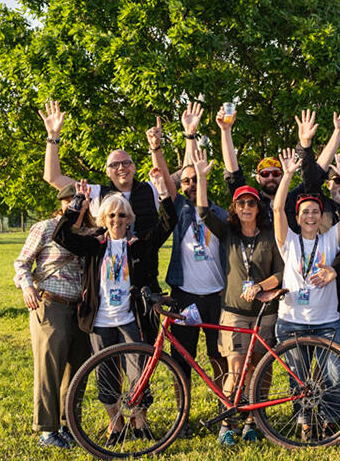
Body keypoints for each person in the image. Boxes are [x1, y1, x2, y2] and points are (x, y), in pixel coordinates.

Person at [52, 173, 177, 443]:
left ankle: (140, 423)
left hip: (131, 320)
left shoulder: (138, 246)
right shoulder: (93, 246)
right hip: (100, 320)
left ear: (129, 219)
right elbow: (61, 234)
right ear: (103, 219)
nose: (116, 220)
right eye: (111, 216)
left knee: (139, 373)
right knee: (106, 376)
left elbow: (169, 223)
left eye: (122, 216)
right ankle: (116, 424)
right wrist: (77, 203)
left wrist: (163, 193)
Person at [39, 103, 168, 338]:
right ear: (107, 171)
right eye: (114, 164)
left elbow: (167, 182)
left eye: (126, 162)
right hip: (106, 287)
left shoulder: (150, 190)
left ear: (135, 166)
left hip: (144, 282)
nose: (121, 167)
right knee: (107, 362)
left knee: (143, 354)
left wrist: (155, 149)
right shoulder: (96, 193)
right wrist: (53, 137)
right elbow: (53, 176)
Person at [193, 147, 285, 446]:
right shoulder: (228, 232)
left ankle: (253, 421)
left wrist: (260, 286)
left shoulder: (271, 235)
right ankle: (228, 422)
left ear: (259, 208)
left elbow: (281, 273)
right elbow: (204, 210)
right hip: (233, 311)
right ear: (235, 207)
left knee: (261, 369)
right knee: (235, 368)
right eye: (241, 203)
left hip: (265, 312)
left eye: (251, 203)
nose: (246, 207)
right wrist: (203, 178)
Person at [271, 146, 340, 440]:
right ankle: (305, 421)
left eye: (315, 212)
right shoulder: (289, 242)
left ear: (322, 216)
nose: (310, 216)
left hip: (327, 321)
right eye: (305, 212)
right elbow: (276, 208)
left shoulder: (331, 239)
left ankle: (329, 420)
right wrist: (287, 175)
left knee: (335, 374)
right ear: (298, 217)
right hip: (292, 320)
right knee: (300, 379)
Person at [13, 184, 92, 448]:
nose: (78, 207)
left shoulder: (88, 232)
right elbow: (22, 262)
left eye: (83, 202)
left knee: (77, 370)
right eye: (73, 202)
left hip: (80, 308)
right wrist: (27, 287)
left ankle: (69, 426)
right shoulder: (46, 228)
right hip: (50, 304)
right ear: (63, 204)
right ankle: (48, 431)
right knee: (49, 369)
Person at [164, 102, 229, 399]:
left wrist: (198, 172)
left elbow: (196, 177)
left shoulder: (218, 213)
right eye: (186, 180)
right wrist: (189, 136)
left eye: (196, 179)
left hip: (217, 297)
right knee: (182, 360)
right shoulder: (179, 209)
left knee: (220, 356)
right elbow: (171, 181)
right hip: (185, 297)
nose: (191, 184)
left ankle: (224, 406)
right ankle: (183, 414)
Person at [219, 104, 340, 231]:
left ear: (283, 175)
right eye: (265, 174)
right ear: (258, 178)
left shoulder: (295, 198)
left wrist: (337, 132)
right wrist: (225, 131)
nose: (271, 177)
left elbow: (316, 172)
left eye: (276, 173)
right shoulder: (252, 203)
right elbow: (233, 175)